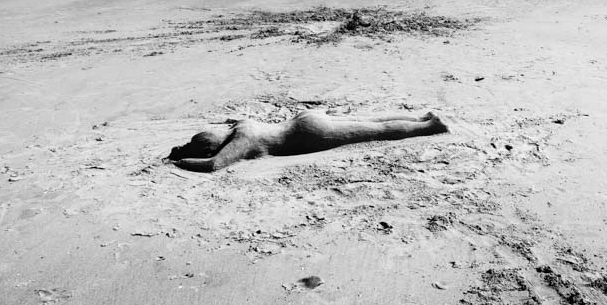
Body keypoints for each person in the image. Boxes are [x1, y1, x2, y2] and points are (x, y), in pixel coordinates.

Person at [169, 110, 448, 172]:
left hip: (308, 135)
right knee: (371, 122)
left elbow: (214, 165)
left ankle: (430, 126)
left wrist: (181, 162)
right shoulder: (242, 126)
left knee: (377, 131)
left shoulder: (242, 141)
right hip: (302, 121)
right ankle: (419, 118)